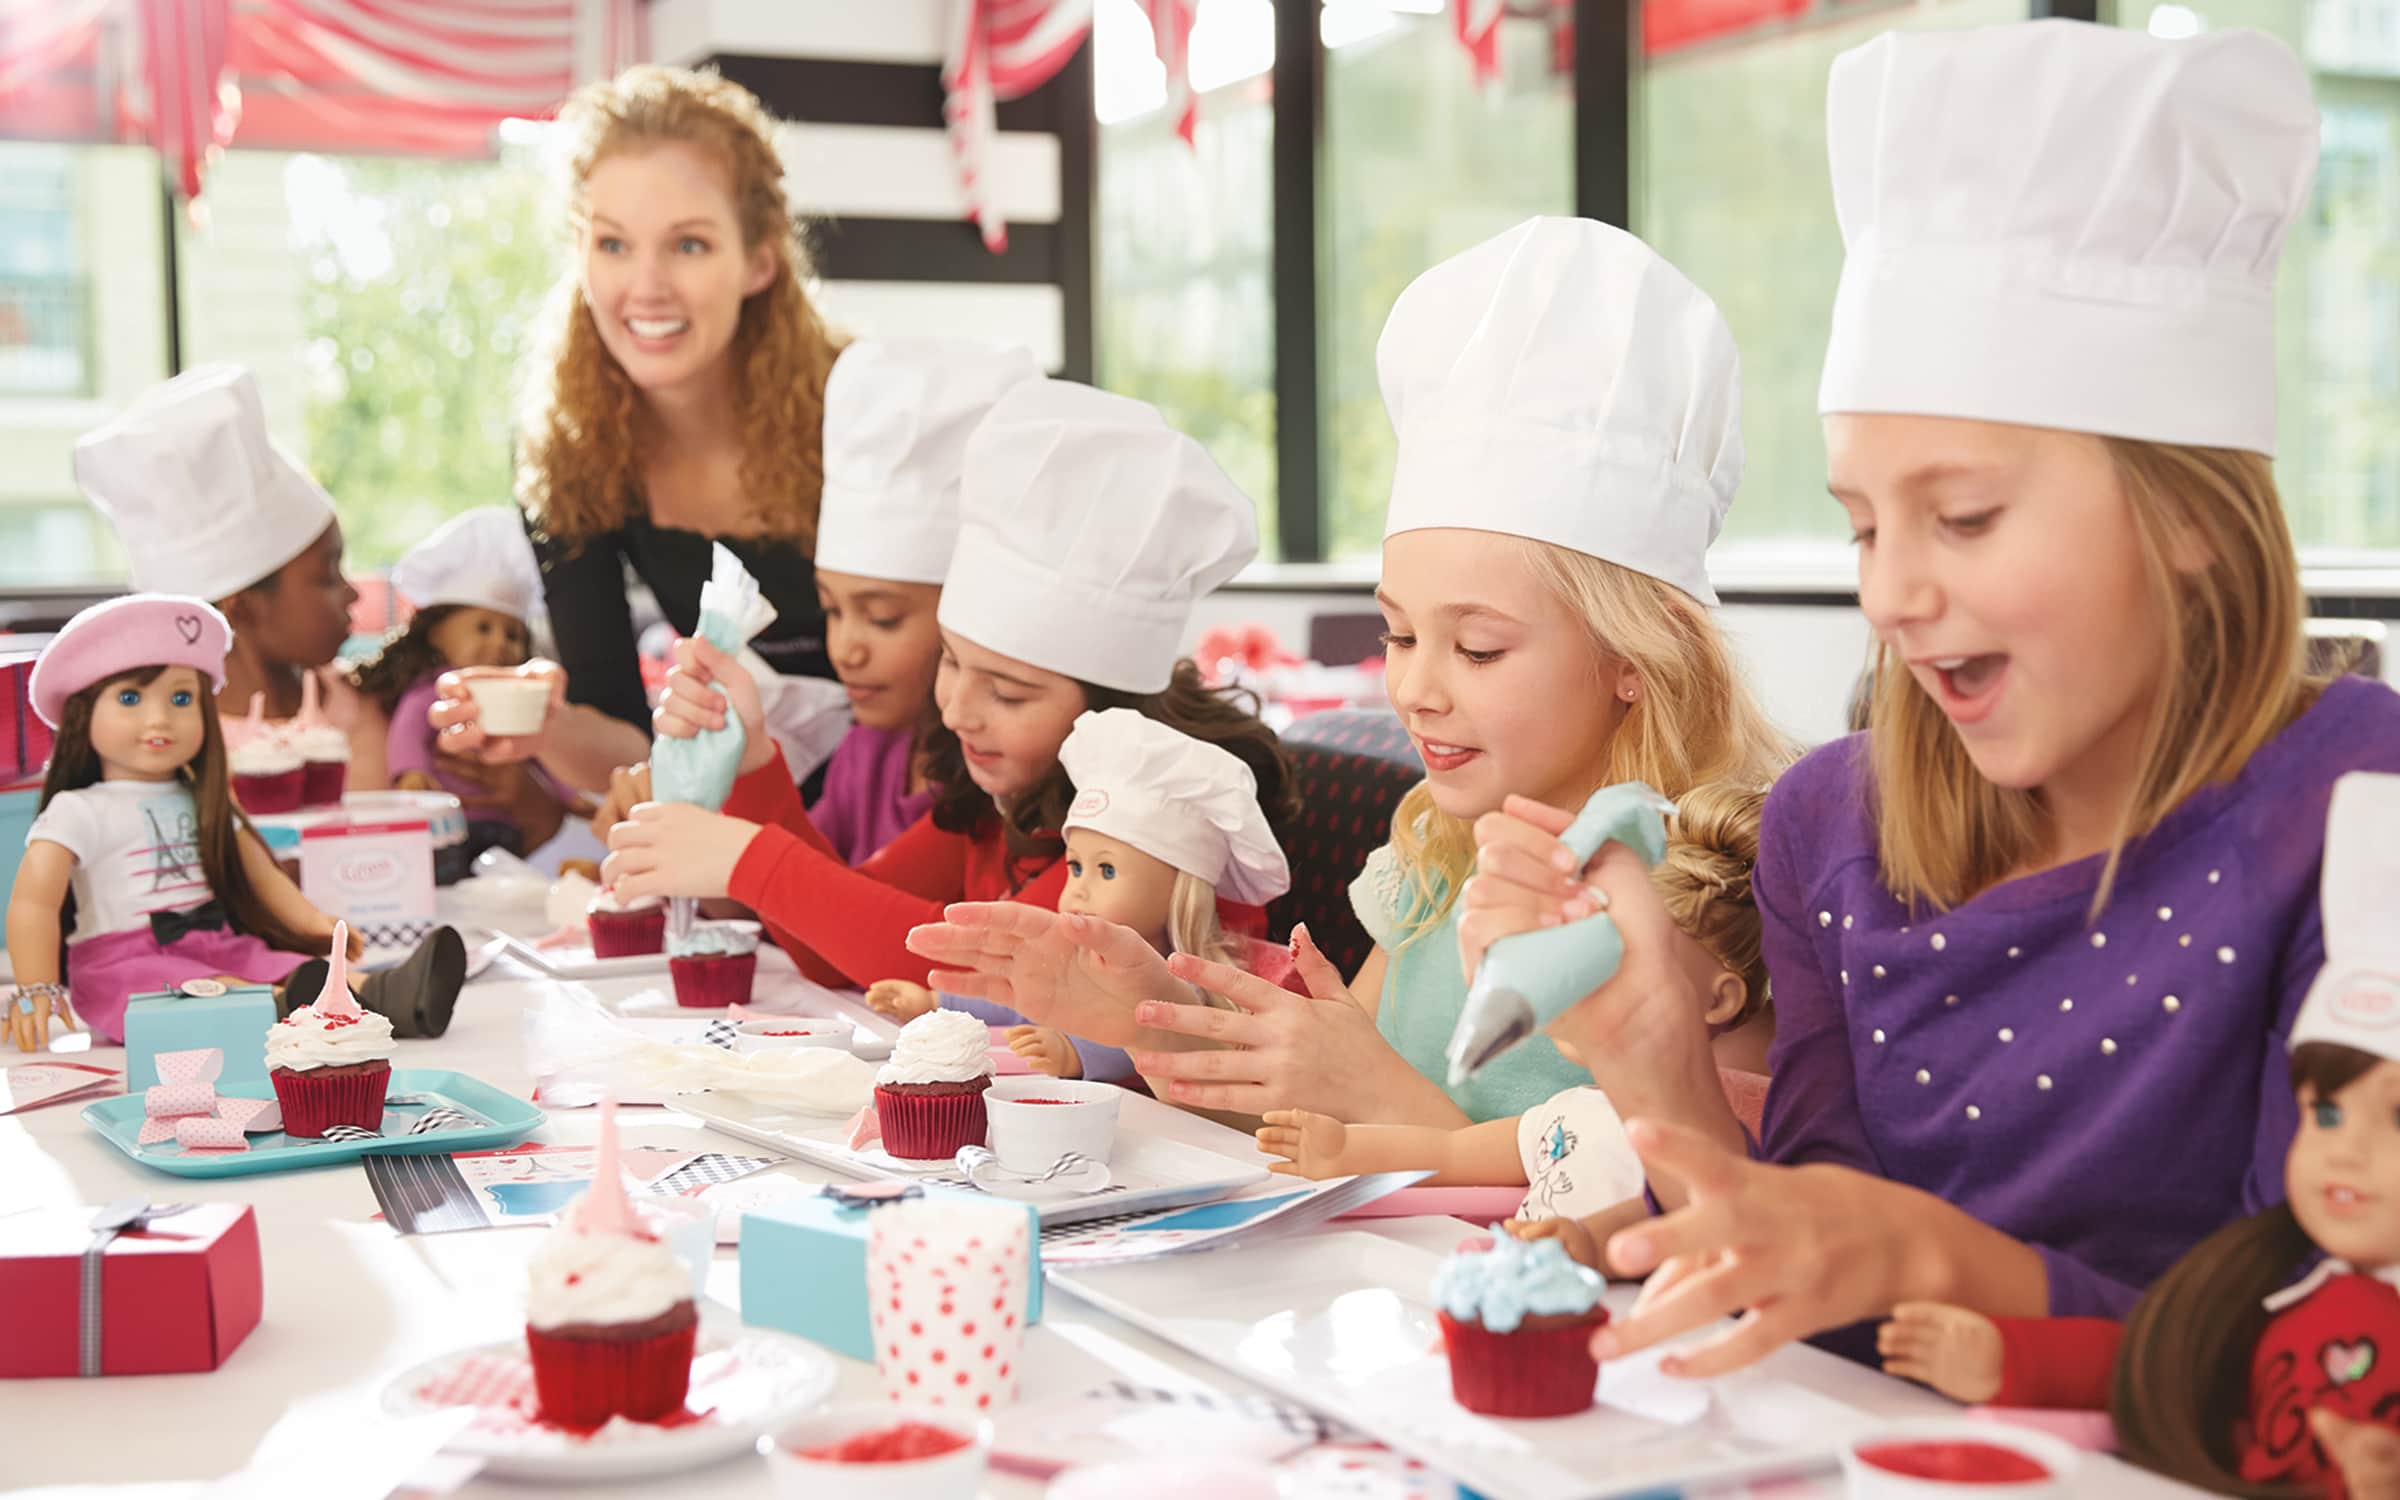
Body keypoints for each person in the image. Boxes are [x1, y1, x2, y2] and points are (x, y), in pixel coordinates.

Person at [1455, 20, 2400, 1381]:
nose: (1889, 596)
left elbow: (2335, 1362)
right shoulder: (1828, 829)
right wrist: (1658, 1066)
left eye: (1961, 517)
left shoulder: (2351, 813)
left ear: (2190, 516)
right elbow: (1814, 1301)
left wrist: (1932, 1259)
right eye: (1860, 527)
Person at [906, 216, 1790, 1126]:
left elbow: (1683, 1196)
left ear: (1637, 656)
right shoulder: (1434, 852)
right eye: (1398, 637)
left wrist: (1386, 1100)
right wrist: (1149, 1027)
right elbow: (1319, 1111)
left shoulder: (1718, 893)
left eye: (1477, 648)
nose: (1414, 689)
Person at [602, 379, 1295, 989]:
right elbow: (834, 947)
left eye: (1009, 693)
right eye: (952, 661)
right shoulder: (1005, 799)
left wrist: (750, 860)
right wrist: (751, 754)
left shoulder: (1151, 827)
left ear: (1110, 709)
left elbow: (981, 973)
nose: (959, 711)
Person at [429, 64, 845, 797]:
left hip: (910, 813)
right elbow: (623, 735)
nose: (645, 286)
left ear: (758, 261)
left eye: (688, 245)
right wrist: (543, 725)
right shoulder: (572, 448)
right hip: (750, 818)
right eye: (613, 244)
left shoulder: (855, 407)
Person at [588, 337, 1041, 859]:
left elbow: (842, 907)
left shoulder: (988, 787)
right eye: (832, 610)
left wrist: (745, 779)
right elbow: (776, 903)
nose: (845, 649)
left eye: (883, 618)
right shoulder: (869, 752)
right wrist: (676, 818)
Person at [6, 597, 464, 1051]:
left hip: (218, 942)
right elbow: (35, 904)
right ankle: (297, 1009)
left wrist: (312, 922)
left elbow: (257, 872)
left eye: (182, 698)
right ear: (83, 715)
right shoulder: (77, 809)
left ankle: (391, 993)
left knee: (278, 963)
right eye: (130, 698)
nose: (160, 718)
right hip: (124, 961)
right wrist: (36, 987)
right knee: (214, 989)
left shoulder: (205, 801)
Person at [72, 363, 387, 787]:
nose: (353, 595)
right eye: (328, 575)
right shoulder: (165, 748)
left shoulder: (358, 707)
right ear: (238, 605)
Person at [349, 508, 579, 859]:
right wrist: (411, 772)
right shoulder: (432, 692)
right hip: (449, 826)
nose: (501, 643)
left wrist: (569, 793)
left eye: (513, 634)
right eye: (483, 628)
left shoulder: (521, 698)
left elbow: (542, 749)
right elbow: (409, 729)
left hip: (506, 828)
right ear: (437, 631)